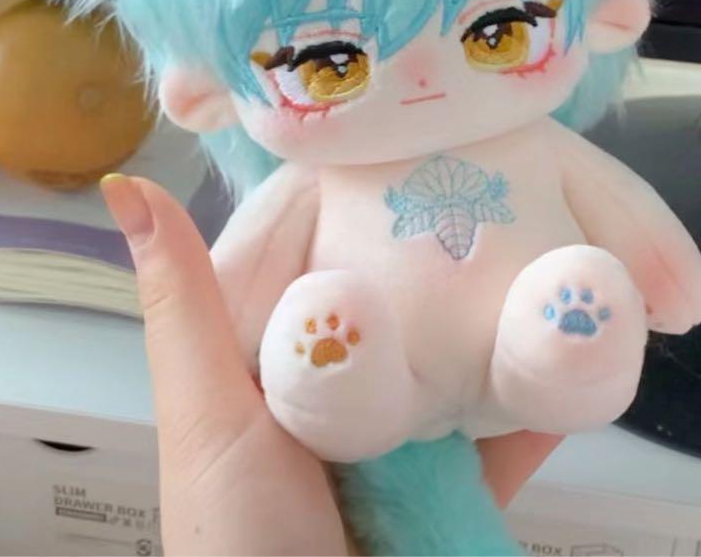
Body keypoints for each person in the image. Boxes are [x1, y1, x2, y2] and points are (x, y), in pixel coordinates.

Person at [102, 173, 560, 556]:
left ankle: (334, 355)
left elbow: (236, 301)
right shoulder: (310, 180)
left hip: (475, 373)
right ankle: (337, 356)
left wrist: (228, 341)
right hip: (442, 386)